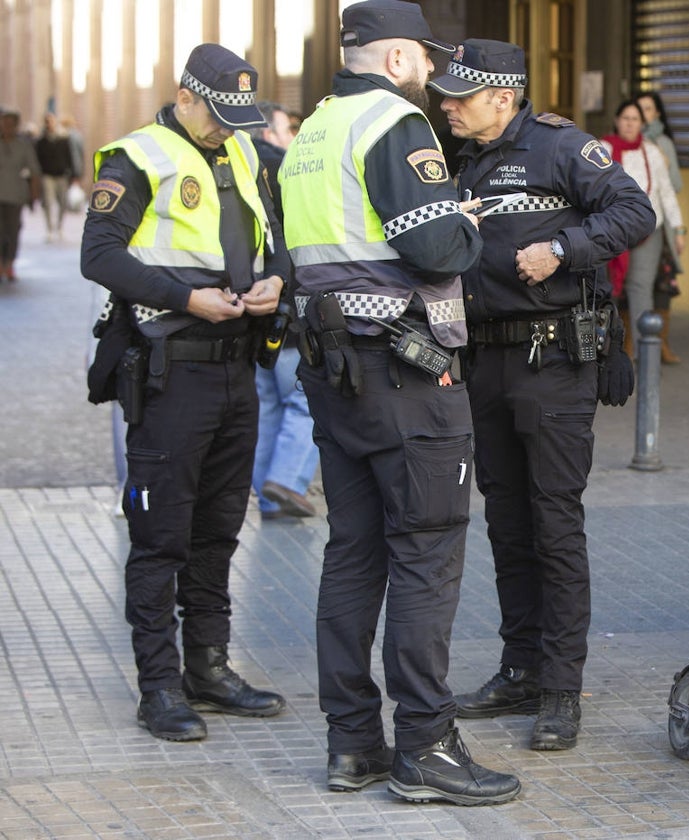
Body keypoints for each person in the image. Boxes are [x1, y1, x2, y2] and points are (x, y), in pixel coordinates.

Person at [278, 2, 520, 805]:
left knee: (353, 553)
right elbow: (436, 247)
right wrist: (462, 219)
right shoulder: (394, 122)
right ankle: (426, 746)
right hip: (406, 378)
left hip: (336, 373)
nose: (430, 71)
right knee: (425, 553)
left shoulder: (312, 131)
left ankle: (353, 744)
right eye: (422, 56)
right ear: (395, 59)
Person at [432, 39, 654, 751]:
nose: (447, 105)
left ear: (503, 96)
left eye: (460, 96)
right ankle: (520, 666)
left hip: (552, 363)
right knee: (508, 524)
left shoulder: (562, 148)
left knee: (554, 526)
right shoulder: (462, 158)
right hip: (487, 363)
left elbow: (634, 212)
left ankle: (561, 690)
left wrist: (562, 251)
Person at [80, 43, 289, 742]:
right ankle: (160, 687)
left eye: (239, 117)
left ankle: (209, 667)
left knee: (219, 533)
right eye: (219, 115)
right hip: (171, 369)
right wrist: (184, 298)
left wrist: (276, 281)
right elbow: (99, 254)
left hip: (238, 367)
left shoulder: (246, 154)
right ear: (185, 94)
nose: (228, 128)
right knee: (160, 535)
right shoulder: (136, 156)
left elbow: (277, 239)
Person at [248, 100, 320, 521]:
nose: (292, 135)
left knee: (269, 403)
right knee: (302, 400)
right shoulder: (284, 169)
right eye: (286, 128)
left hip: (252, 311)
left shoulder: (232, 170)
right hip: (290, 310)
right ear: (268, 133)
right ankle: (286, 482)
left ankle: (267, 492)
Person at [600, 99, 686, 358]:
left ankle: (642, 352)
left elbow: (666, 192)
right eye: (625, 118)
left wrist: (678, 228)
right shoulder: (601, 149)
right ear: (616, 121)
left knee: (640, 288)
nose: (629, 123)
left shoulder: (652, 152)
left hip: (649, 230)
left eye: (635, 119)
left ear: (642, 123)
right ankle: (604, 350)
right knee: (606, 289)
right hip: (610, 229)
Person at [637, 90, 685, 364]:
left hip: (661, 227)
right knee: (633, 285)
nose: (643, 115)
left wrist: (664, 166)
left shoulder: (663, 143)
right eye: (638, 109)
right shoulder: (625, 143)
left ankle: (661, 344)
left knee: (663, 286)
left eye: (648, 109)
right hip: (635, 227)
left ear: (656, 113)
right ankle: (633, 341)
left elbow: (674, 186)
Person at [0, 108, 41, 281]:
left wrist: (33, 196)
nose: (6, 127)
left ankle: (9, 263)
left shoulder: (23, 145)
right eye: (4, 123)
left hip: (15, 195)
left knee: (12, 230)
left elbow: (34, 172)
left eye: (10, 124)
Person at [35, 113, 77, 243]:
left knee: (63, 202)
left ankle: (59, 227)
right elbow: (37, 158)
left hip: (61, 175)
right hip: (47, 175)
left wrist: (73, 174)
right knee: (47, 201)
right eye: (47, 121)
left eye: (51, 121)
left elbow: (69, 156)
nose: (49, 124)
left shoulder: (63, 140)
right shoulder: (41, 141)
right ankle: (49, 229)